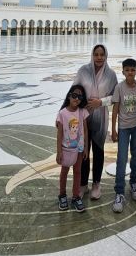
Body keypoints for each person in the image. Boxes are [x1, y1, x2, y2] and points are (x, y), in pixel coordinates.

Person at [74, 43, 118, 200]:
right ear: (92, 55)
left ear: (106, 56)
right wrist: (63, 113)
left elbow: (115, 97)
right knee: (83, 150)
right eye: (96, 54)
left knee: (98, 151)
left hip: (101, 117)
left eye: (102, 55)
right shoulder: (83, 71)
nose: (99, 57)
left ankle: (96, 184)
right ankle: (83, 184)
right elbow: (74, 91)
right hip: (83, 117)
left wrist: (100, 102)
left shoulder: (111, 75)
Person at [110, 58, 136, 213]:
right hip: (124, 127)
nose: (130, 72)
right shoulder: (119, 88)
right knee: (122, 158)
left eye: (133, 70)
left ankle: (133, 183)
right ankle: (119, 192)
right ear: (123, 71)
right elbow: (116, 109)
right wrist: (113, 129)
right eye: (127, 70)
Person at [56, 84, 90, 212]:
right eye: (74, 95)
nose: (76, 99)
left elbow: (85, 130)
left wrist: (86, 148)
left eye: (80, 97)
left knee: (77, 172)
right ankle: (62, 195)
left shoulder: (82, 112)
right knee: (64, 172)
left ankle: (76, 197)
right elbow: (59, 134)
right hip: (66, 149)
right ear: (69, 96)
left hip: (79, 149)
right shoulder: (62, 113)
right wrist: (59, 151)